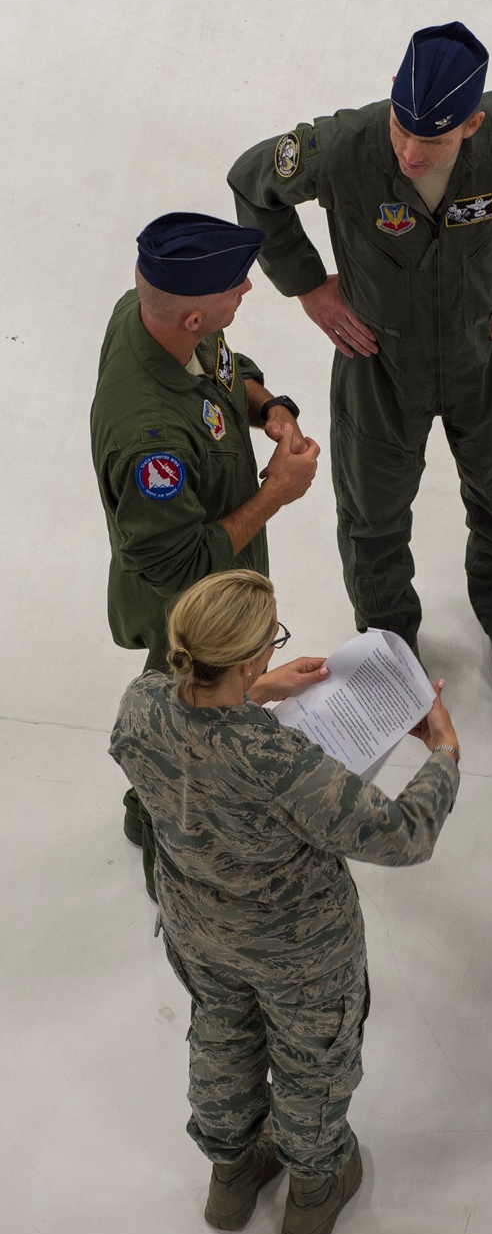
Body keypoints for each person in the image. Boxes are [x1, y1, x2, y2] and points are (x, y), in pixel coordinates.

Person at [228, 21, 492, 697]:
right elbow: (252, 183)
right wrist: (309, 287)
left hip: (486, 351)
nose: (409, 152)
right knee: (372, 516)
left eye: (431, 139)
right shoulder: (344, 147)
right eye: (402, 130)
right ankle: (387, 643)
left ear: (471, 124)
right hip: (378, 360)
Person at [109, 569, 461, 1234]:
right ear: (246, 658)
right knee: (312, 1062)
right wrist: (443, 750)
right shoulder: (280, 761)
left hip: (198, 926)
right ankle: (313, 1190)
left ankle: (232, 1175)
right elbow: (403, 833)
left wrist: (257, 691)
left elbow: (175, 737)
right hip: (300, 949)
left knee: (222, 1036)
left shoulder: (139, 703)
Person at [91, 213, 321, 895]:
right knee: (186, 716)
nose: (247, 288)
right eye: (233, 287)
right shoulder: (148, 443)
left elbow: (224, 367)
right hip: (190, 607)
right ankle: (161, 831)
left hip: (223, 565)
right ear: (189, 315)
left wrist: (268, 407)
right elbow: (181, 567)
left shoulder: (151, 314)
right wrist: (276, 492)